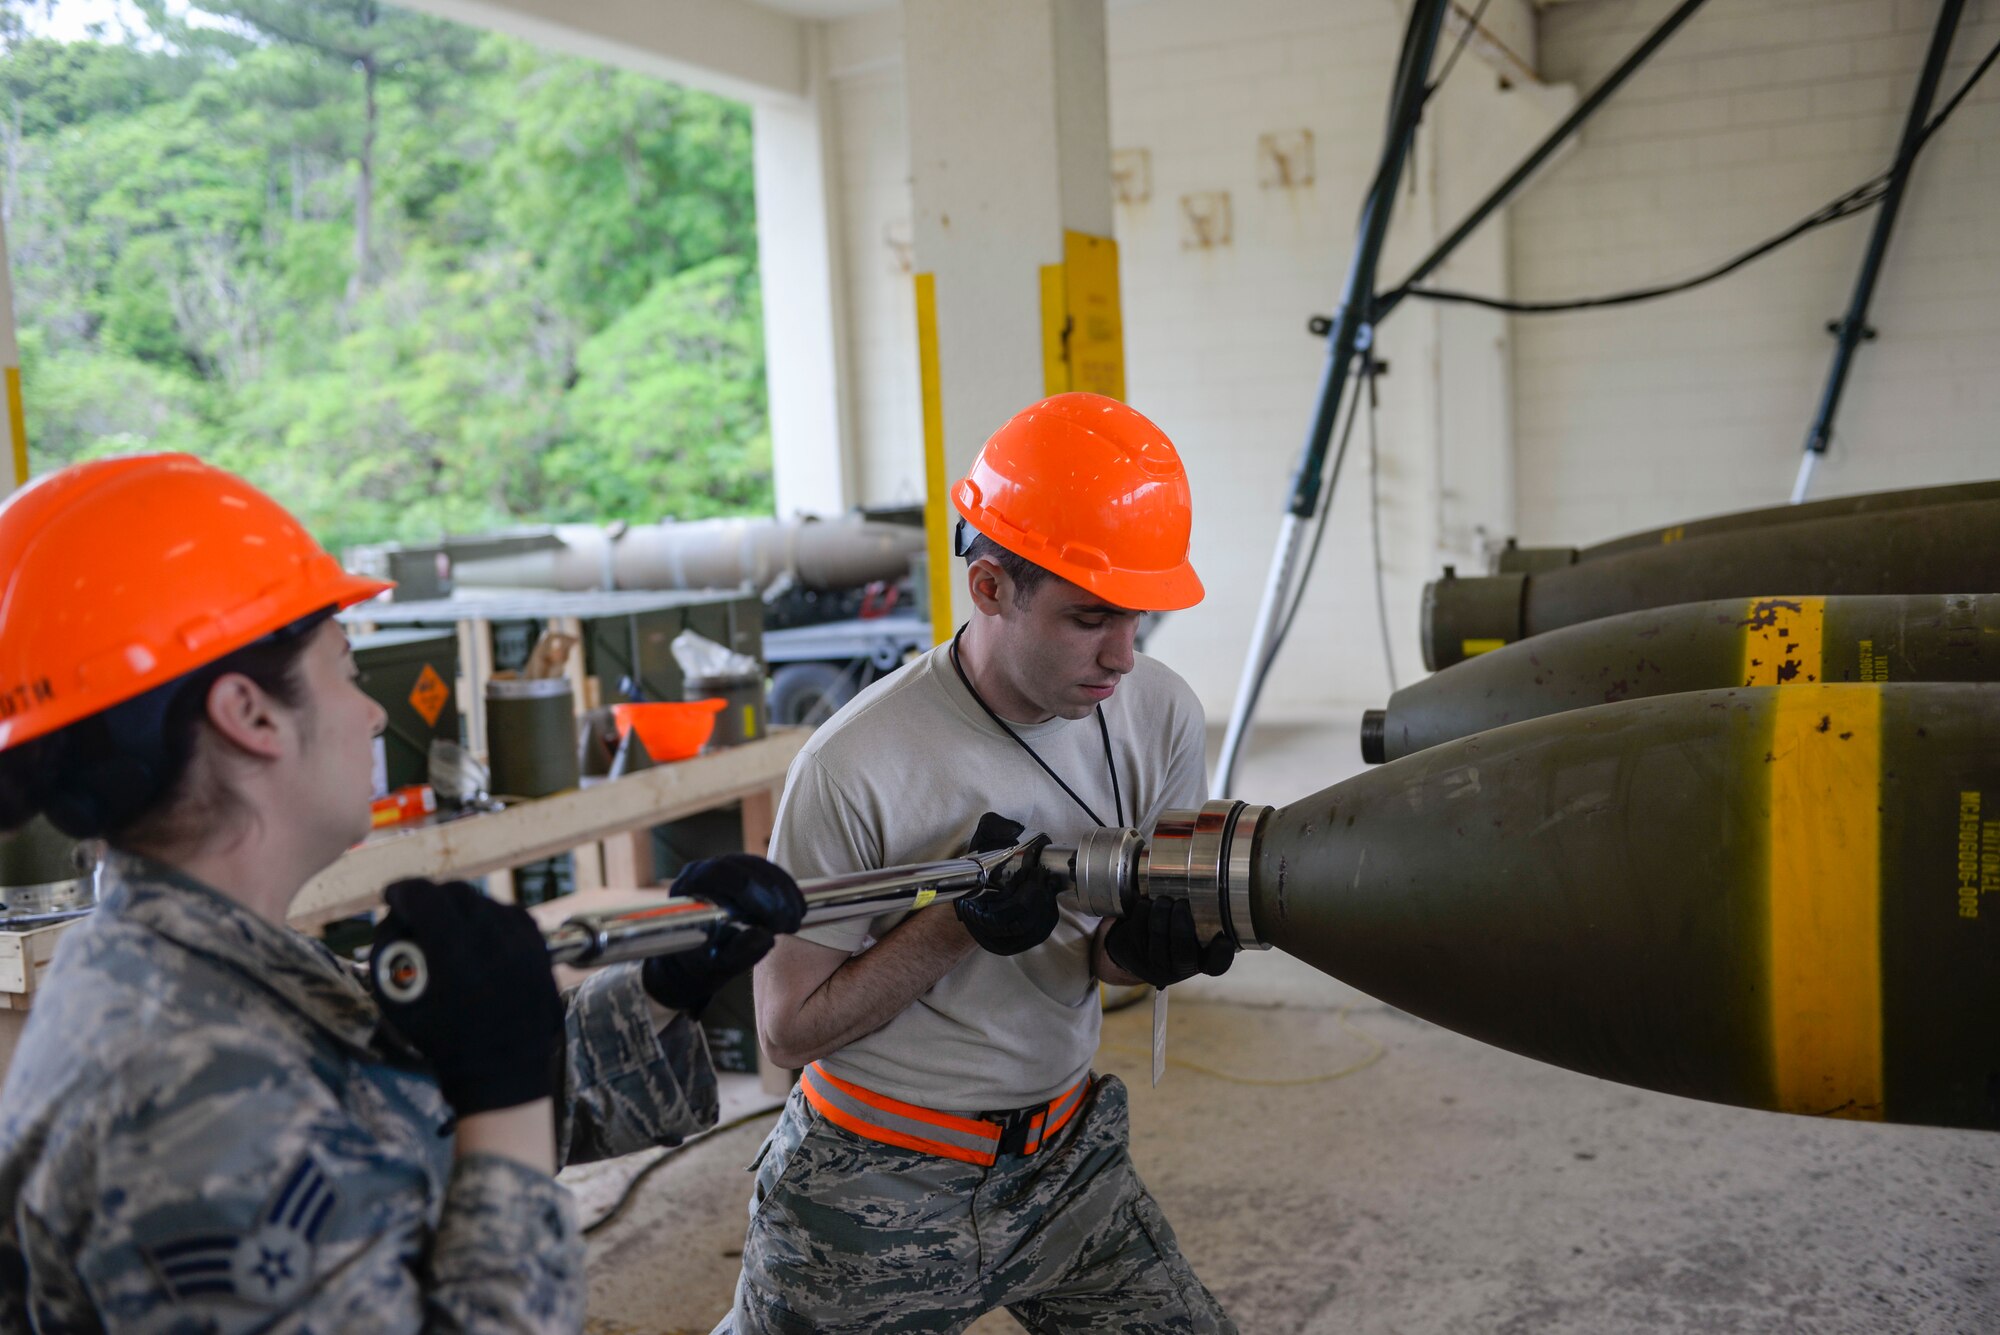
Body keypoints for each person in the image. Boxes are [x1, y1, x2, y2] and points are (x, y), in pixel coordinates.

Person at [0, 453, 804, 1332]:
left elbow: (419, 1109)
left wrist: (659, 986)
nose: (373, 713)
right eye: (346, 670)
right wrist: (499, 1098)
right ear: (250, 714)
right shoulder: (184, 1100)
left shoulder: (220, 970)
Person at [720, 392, 1238, 1333]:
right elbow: (788, 1031)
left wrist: (1151, 949)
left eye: (1139, 619)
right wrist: (956, 922)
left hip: (1065, 1158)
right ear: (992, 585)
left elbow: (1102, 958)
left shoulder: (1160, 711)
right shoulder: (853, 766)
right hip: (874, 1173)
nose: (1122, 657)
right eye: (1090, 618)